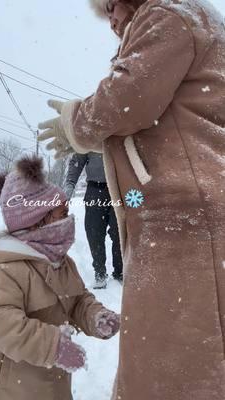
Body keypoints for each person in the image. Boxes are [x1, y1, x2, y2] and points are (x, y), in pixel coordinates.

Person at [37, 0, 225, 399]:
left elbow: (127, 98)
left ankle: (111, 269)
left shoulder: (168, 15)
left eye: (111, 7)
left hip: (184, 222)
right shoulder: (189, 20)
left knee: (173, 360)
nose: (112, 21)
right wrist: (68, 189)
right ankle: (104, 269)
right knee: (186, 350)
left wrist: (77, 123)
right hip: (176, 214)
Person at [0, 155, 120, 400]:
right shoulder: (5, 266)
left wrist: (93, 315)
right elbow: (0, 320)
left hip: (46, 379)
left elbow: (76, 299)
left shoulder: (60, 261)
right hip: (4, 384)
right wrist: (52, 346)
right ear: (37, 221)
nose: (69, 220)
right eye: (62, 214)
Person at [65, 152, 123, 288]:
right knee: (94, 232)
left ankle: (120, 271)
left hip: (119, 190)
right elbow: (76, 162)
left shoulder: (119, 133)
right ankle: (100, 272)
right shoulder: (89, 136)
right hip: (94, 191)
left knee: (119, 231)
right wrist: (70, 185)